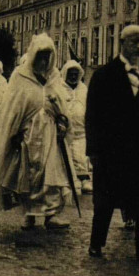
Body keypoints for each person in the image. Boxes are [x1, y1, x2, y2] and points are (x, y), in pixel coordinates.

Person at [86, 25, 139, 263]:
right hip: (112, 150)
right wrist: (93, 150)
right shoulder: (103, 75)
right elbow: (92, 115)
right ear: (122, 43)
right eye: (135, 42)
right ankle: (96, 242)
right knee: (105, 199)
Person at [0, 33, 73, 230]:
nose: (43, 60)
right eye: (40, 56)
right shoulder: (20, 77)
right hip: (28, 134)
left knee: (52, 173)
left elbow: (62, 106)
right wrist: (13, 133)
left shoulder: (54, 78)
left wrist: (62, 121)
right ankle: (29, 214)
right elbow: (12, 108)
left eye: (47, 56)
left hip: (50, 133)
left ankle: (51, 214)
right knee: (29, 175)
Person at [57, 60, 92, 194]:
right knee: (65, 157)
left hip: (81, 132)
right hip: (64, 133)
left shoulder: (84, 89)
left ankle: (83, 180)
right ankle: (66, 183)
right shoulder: (59, 88)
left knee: (81, 157)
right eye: (70, 74)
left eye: (75, 74)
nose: (73, 76)